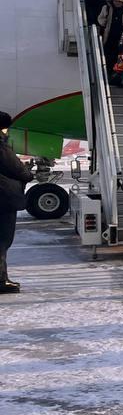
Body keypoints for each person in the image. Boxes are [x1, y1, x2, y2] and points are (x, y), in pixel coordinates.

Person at [0, 111, 33, 294]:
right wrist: (28, 173)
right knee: (2, 240)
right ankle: (0, 281)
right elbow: (18, 170)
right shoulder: (0, 147)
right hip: (3, 199)